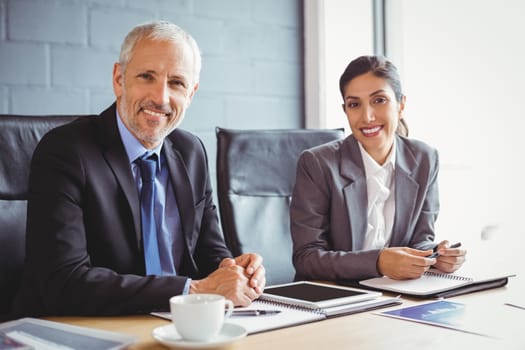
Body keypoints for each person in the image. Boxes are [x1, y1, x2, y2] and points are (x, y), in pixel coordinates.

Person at [13, 20, 265, 317]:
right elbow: (63, 283)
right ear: (119, 79)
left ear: (191, 93)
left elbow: (209, 251)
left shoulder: (191, 152)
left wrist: (233, 271)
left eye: (176, 83)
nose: (160, 98)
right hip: (81, 328)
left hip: (177, 324)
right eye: (147, 76)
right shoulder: (67, 151)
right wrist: (194, 291)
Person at [290, 55, 466, 282]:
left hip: (394, 293)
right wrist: (378, 262)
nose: (367, 116)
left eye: (379, 100)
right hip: (335, 295)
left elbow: (420, 239)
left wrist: (437, 254)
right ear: (345, 110)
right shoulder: (317, 163)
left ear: (401, 105)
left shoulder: (425, 158)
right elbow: (307, 258)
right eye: (355, 105)